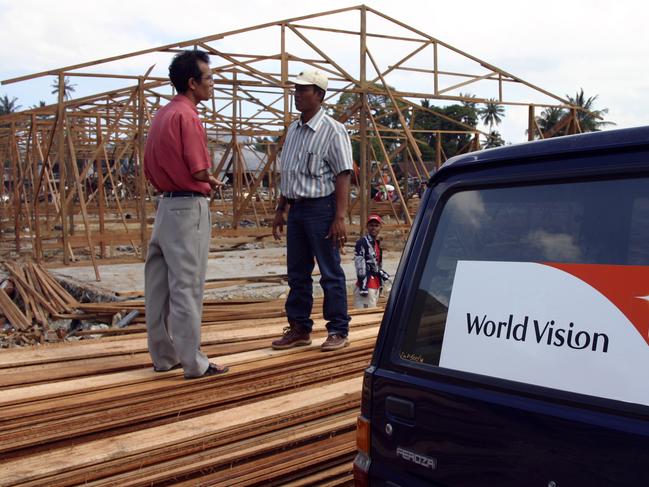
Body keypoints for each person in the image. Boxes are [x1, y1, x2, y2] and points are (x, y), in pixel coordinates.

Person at [143, 50, 228, 379]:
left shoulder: (162, 114)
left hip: (165, 205)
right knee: (187, 286)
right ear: (192, 83)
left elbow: (157, 166)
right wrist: (211, 178)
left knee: (158, 286)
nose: (212, 84)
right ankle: (194, 362)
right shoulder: (189, 116)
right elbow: (199, 169)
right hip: (187, 208)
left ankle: (163, 356)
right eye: (208, 78)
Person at [271, 68, 353, 352]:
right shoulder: (293, 129)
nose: (297, 94)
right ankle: (300, 328)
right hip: (297, 208)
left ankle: (338, 329)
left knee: (330, 271)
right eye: (296, 89)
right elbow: (289, 172)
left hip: (321, 208)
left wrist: (339, 217)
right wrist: (281, 208)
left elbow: (343, 174)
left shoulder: (333, 130)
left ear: (319, 95)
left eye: (303, 90)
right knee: (297, 272)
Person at [354, 214, 390, 308]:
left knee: (371, 313)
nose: (373, 228)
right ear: (367, 227)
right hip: (367, 287)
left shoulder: (376, 244)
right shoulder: (362, 243)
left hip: (375, 285)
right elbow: (359, 265)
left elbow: (376, 265)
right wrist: (363, 287)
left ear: (380, 227)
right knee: (364, 316)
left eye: (376, 225)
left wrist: (383, 275)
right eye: (371, 225)